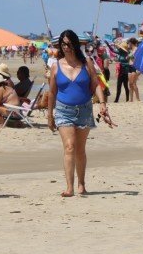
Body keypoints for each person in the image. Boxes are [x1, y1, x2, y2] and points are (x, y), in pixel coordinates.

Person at [47, 30, 111, 197]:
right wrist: (49, 115)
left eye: (69, 44)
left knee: (80, 150)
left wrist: (103, 104)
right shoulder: (55, 65)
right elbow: (52, 92)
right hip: (63, 110)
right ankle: (70, 187)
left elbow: (96, 84)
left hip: (84, 109)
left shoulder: (86, 62)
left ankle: (81, 184)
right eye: (63, 44)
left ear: (75, 44)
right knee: (69, 147)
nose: (66, 47)